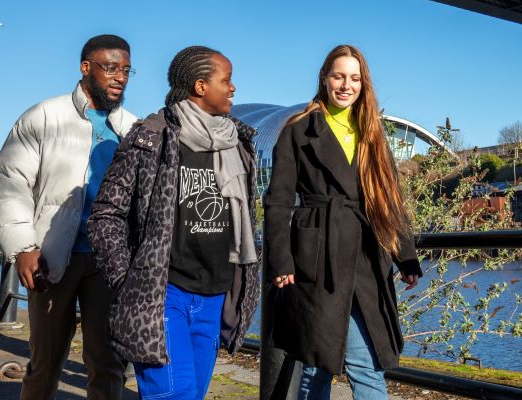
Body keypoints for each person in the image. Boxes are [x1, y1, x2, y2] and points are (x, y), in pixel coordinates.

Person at [88, 46, 261, 400]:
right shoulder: (151, 136)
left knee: (192, 394)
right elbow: (106, 213)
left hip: (214, 293)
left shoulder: (238, 143)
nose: (232, 89)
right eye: (225, 81)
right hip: (163, 293)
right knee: (173, 395)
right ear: (200, 86)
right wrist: (127, 280)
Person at [264, 44, 422, 400]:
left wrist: (406, 256)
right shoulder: (298, 129)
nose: (346, 85)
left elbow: (388, 197)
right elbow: (278, 199)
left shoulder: (372, 131)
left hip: (367, 257)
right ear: (324, 78)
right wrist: (281, 260)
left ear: (363, 84)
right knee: (323, 363)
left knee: (348, 363)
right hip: (317, 258)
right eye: (338, 76)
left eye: (354, 78)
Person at [0, 34, 138, 400]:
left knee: (108, 363)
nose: (119, 77)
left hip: (109, 261)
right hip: (52, 256)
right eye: (110, 68)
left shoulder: (135, 129)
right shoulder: (44, 116)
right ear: (85, 68)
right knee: (45, 362)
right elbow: (11, 181)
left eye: (126, 70)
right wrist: (23, 245)